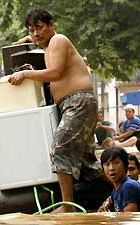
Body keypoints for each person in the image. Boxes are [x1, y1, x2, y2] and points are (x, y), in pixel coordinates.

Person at [8, 8, 102, 213]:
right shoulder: (47, 43)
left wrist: (25, 73)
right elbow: (16, 47)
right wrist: (27, 38)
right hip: (72, 103)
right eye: (31, 30)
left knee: (60, 150)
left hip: (78, 101)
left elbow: (56, 73)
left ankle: (68, 206)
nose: (35, 34)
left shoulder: (58, 40)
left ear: (52, 24)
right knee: (85, 159)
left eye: (39, 28)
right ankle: (118, 190)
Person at [100, 146, 140, 212]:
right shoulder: (115, 191)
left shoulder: (128, 187)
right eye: (107, 164)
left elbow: (128, 219)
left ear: (125, 165)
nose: (111, 168)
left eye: (116, 163)